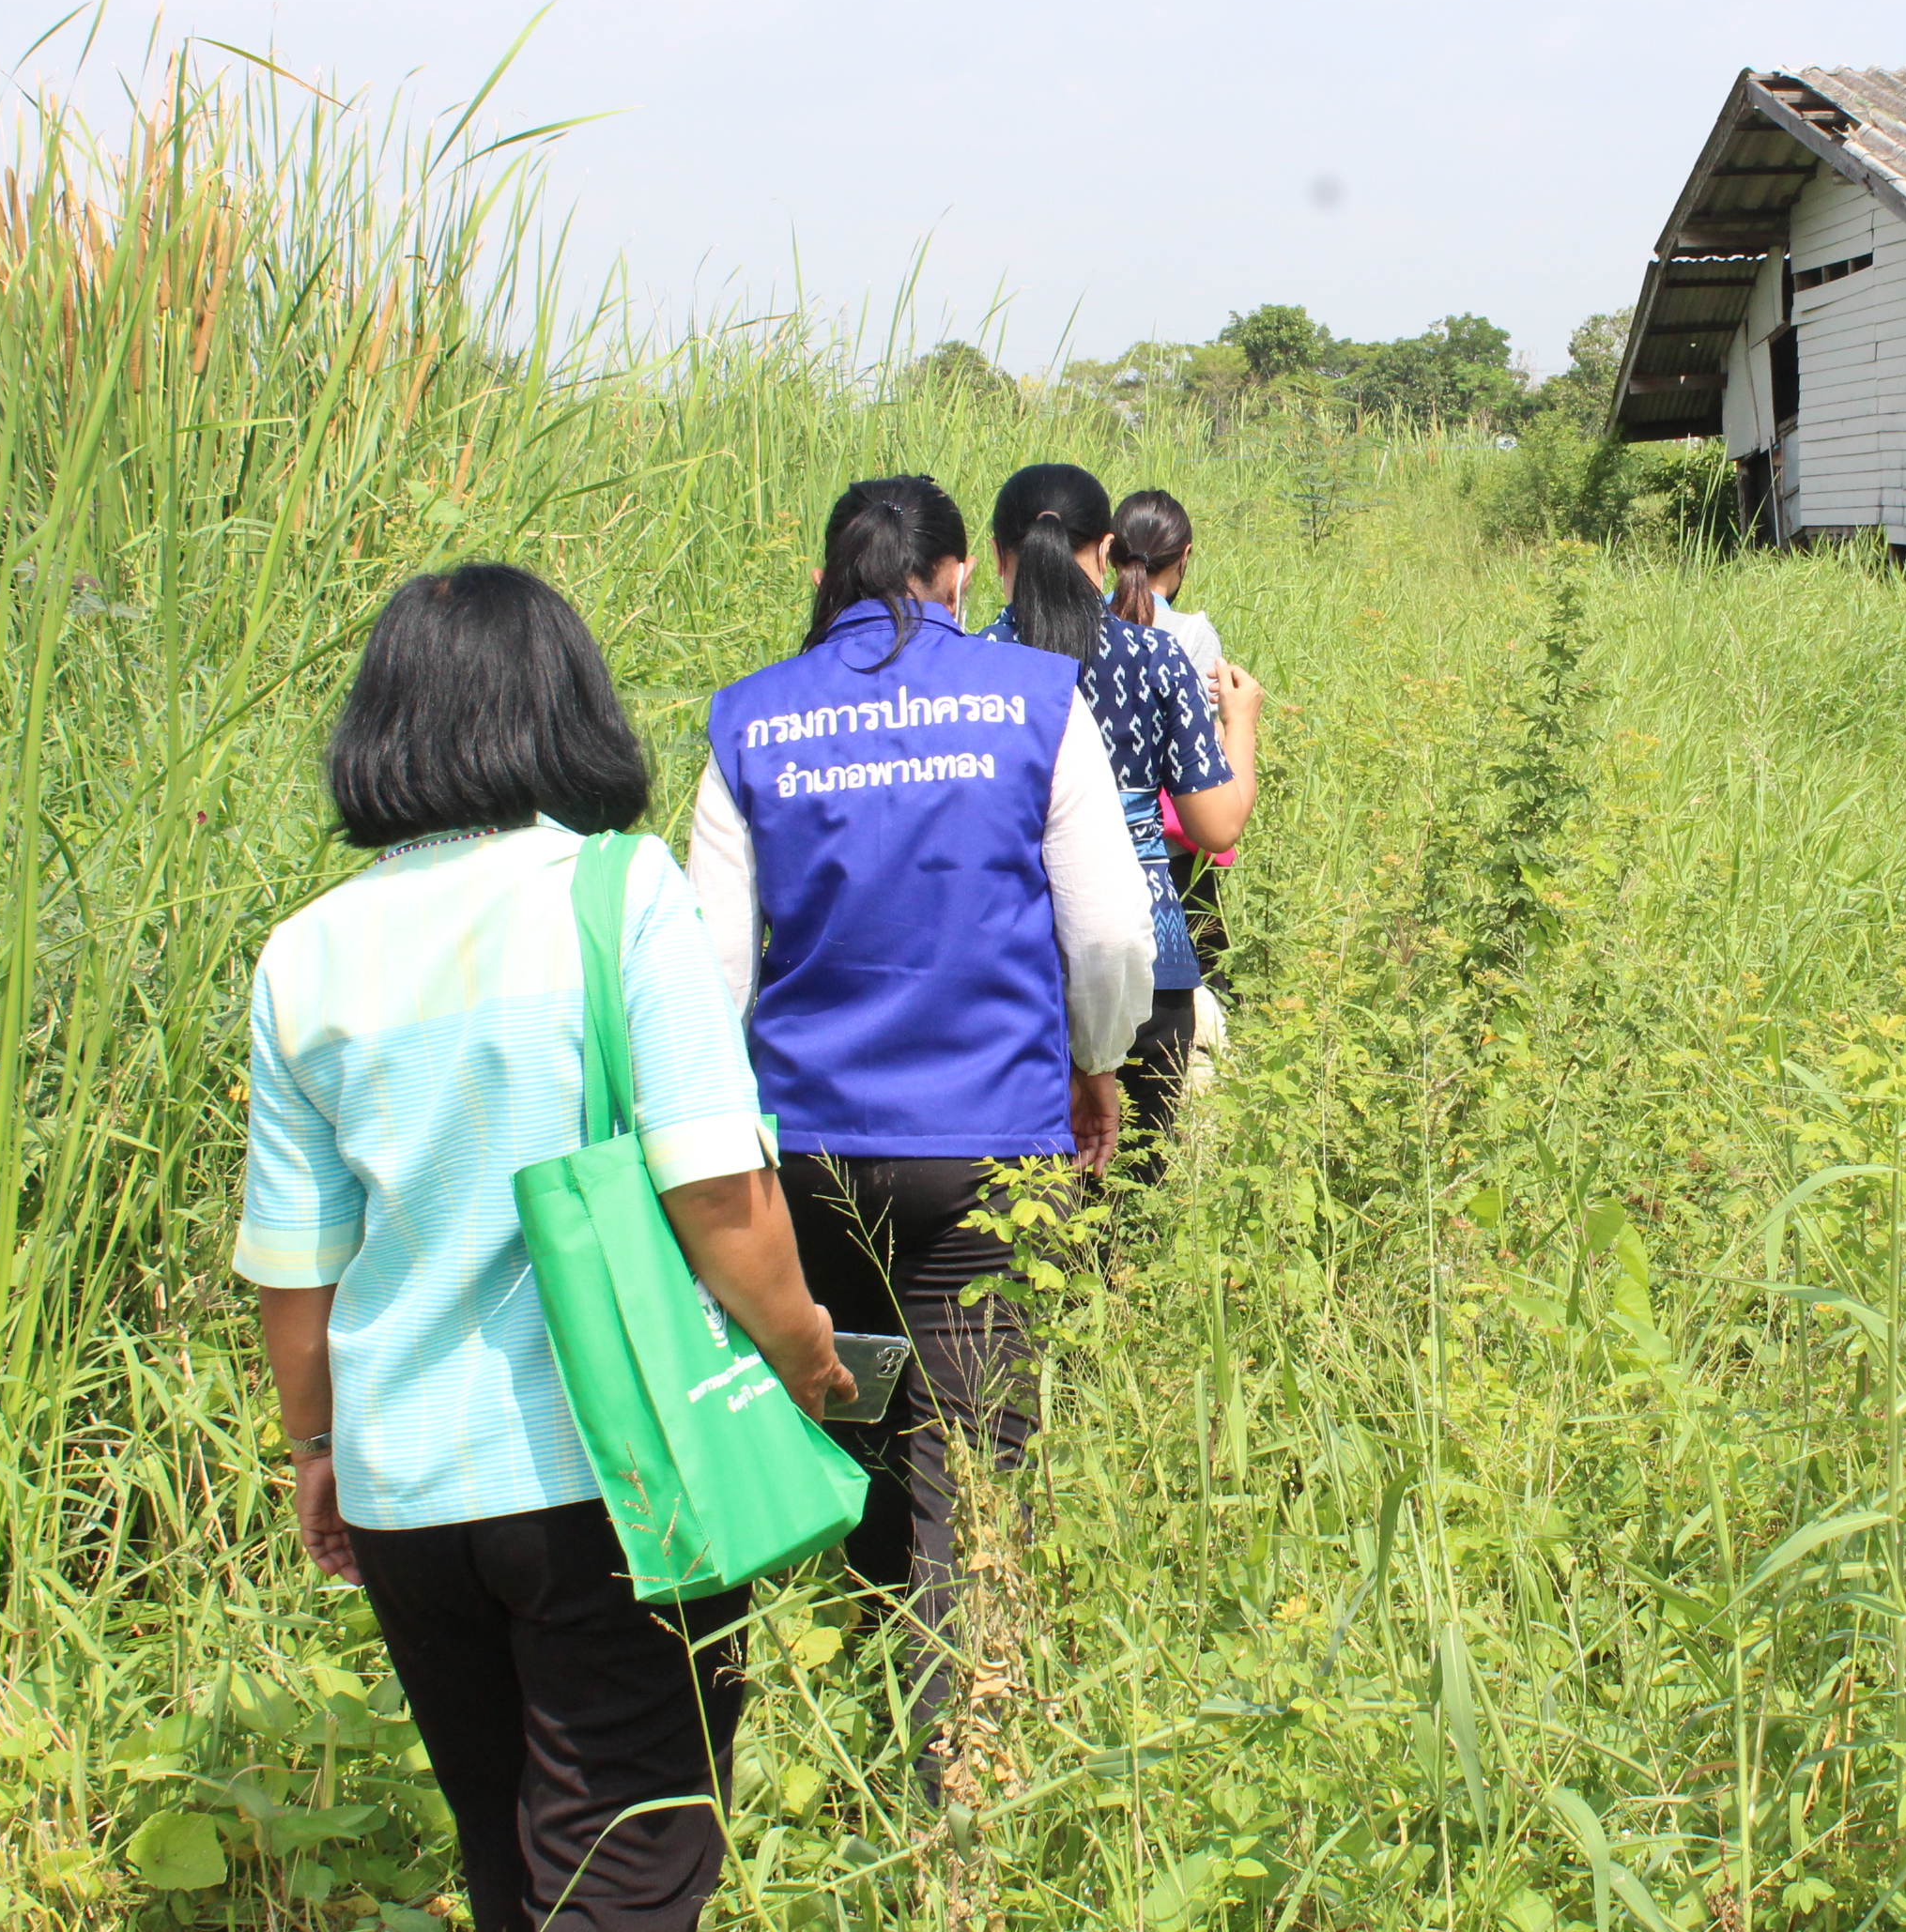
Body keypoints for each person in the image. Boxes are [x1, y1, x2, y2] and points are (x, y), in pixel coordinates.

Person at [242, 563, 849, 1932]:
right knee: (628, 1860)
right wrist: (804, 1346)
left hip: (405, 1494)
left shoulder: (305, 954)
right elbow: (717, 1192)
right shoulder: (618, 892)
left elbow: (297, 1264)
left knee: (511, 1857)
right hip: (602, 1482)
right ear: (562, 710)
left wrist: (316, 1455)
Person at [684, 474, 1154, 1763]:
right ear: (957, 575)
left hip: (809, 1164)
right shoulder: (1034, 701)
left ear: (833, 574)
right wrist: (1092, 1058)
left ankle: (866, 1717)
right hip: (989, 1141)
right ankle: (957, 1774)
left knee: (866, 1428)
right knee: (973, 1452)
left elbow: (711, 979)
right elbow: (1110, 929)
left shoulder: (749, 723)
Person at [980, 464, 1261, 1173]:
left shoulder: (969, 667)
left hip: (1008, 964)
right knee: (1131, 1206)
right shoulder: (1154, 656)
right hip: (1147, 959)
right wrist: (1242, 722)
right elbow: (1216, 826)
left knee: (1019, 1216)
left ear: (996, 556)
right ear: (1104, 551)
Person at [1107, 489, 1237, 995]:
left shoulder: (1086, 624)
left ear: (1109, 550)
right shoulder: (1192, 634)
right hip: (1174, 849)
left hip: (1098, 843)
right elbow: (1204, 748)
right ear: (1183, 558)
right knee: (1200, 996)